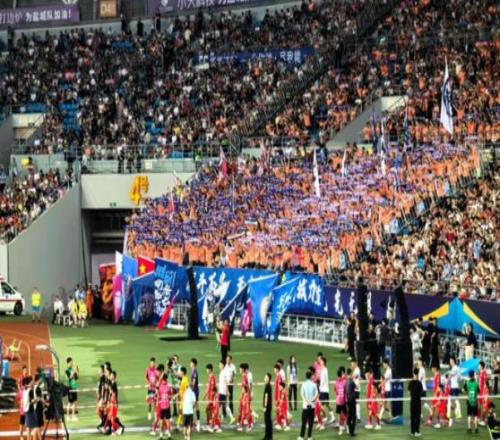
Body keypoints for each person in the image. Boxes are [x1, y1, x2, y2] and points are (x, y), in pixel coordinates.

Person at [298, 370, 318, 440]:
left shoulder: (303, 384)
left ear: (306, 376)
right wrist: (311, 400)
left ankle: (301, 436)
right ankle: (309, 437)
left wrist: (306, 401)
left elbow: (302, 394)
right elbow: (316, 394)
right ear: (311, 376)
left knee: (304, 422)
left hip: (305, 406)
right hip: (312, 406)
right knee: (310, 423)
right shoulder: (314, 384)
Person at [408, 367, 423, 437]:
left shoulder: (410, 383)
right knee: (417, 417)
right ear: (418, 374)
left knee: (412, 417)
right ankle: (416, 431)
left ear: (413, 373)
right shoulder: (419, 383)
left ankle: (412, 431)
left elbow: (409, 392)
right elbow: (421, 392)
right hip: (418, 402)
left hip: (412, 402)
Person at [464, 370, 480, 434]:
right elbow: (479, 391)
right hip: (475, 401)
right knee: (475, 415)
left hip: (469, 401)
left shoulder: (467, 383)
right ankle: (476, 429)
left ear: (469, 376)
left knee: (469, 415)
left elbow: (463, 390)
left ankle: (469, 428)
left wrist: (467, 391)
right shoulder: (476, 383)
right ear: (473, 375)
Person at [334, 368, 347, 435]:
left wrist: (337, 396)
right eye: (343, 374)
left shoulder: (337, 382)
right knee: (342, 415)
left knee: (342, 415)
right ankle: (342, 428)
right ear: (341, 375)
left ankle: (343, 428)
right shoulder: (344, 382)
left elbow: (335, 391)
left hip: (341, 401)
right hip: (342, 402)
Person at [189, 358, 201, 432]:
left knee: (195, 406)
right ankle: (194, 422)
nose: (190, 364)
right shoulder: (193, 371)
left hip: (194, 391)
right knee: (193, 406)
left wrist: (190, 389)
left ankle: (197, 423)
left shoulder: (194, 372)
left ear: (194, 364)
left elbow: (193, 382)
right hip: (194, 391)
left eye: (191, 363)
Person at [346, 368, 357, 437]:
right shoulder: (352, 382)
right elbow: (357, 387)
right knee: (353, 416)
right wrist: (354, 379)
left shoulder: (346, 381)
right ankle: (352, 432)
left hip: (347, 400)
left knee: (349, 415)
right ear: (350, 373)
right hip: (352, 400)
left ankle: (350, 430)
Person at [263, 372, 273, 440]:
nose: (264, 378)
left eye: (266, 377)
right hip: (269, 406)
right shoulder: (269, 385)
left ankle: (267, 436)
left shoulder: (267, 386)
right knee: (269, 421)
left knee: (267, 422)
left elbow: (266, 397)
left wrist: (265, 406)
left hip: (267, 407)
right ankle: (269, 436)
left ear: (268, 379)